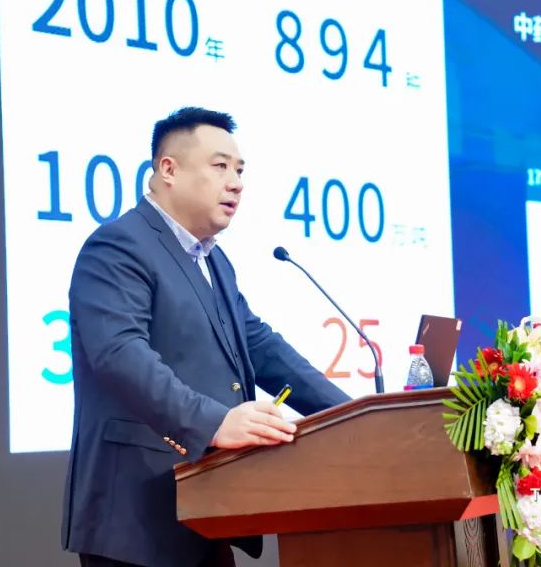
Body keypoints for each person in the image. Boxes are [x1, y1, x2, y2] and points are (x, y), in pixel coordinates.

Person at [61, 107, 351, 567]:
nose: (235, 183)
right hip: (136, 518)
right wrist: (214, 422)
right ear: (168, 169)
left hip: (206, 507)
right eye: (220, 166)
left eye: (240, 171)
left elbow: (260, 346)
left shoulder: (213, 260)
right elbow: (119, 354)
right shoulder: (119, 246)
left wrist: (352, 414)